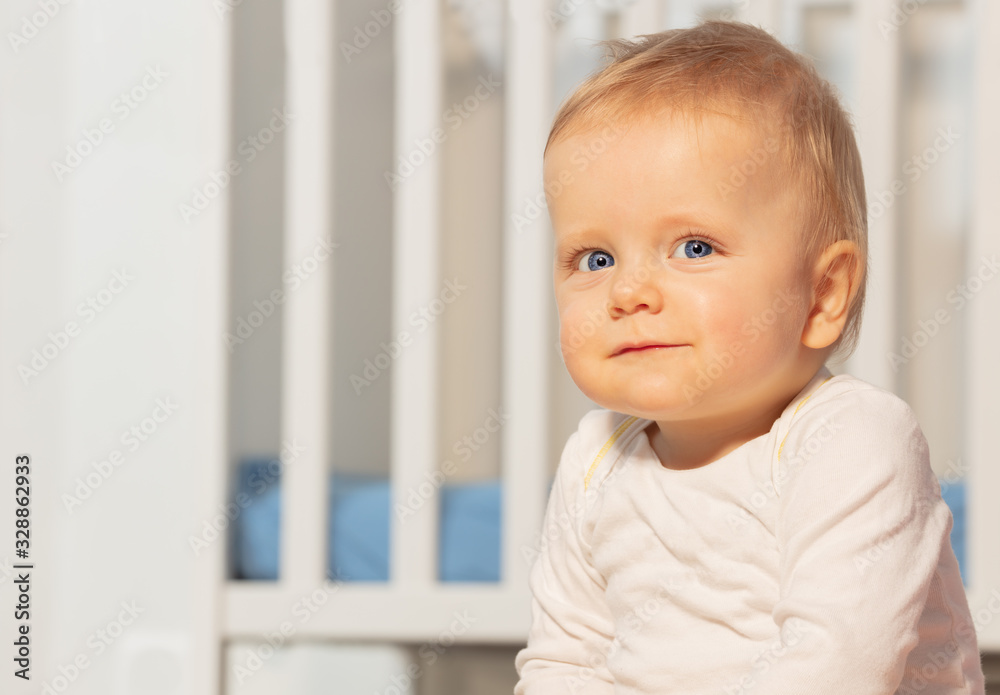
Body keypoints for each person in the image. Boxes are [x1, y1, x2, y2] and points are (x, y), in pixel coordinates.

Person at [514, 19, 985, 695]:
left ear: (822, 293)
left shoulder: (853, 439)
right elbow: (565, 660)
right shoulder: (594, 458)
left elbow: (839, 663)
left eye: (694, 247)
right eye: (595, 257)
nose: (628, 290)